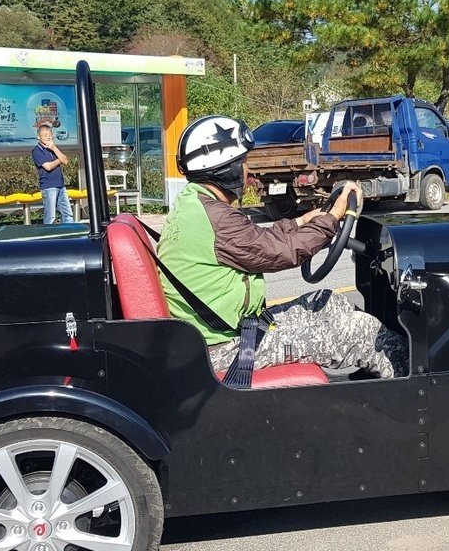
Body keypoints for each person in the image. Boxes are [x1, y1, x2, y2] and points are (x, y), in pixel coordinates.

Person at [157, 115, 408, 380]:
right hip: (224, 347)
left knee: (327, 302)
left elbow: (253, 241)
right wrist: (332, 218)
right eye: (242, 163)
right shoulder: (217, 217)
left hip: (223, 333)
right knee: (359, 334)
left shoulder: (195, 205)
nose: (248, 172)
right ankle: (411, 399)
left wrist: (302, 220)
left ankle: (374, 381)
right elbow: (282, 253)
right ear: (225, 169)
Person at [31, 125, 74, 224]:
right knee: (50, 216)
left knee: (67, 213)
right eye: (44, 135)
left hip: (61, 185)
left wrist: (54, 148)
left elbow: (66, 161)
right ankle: (48, 236)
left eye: (49, 135)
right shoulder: (37, 150)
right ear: (39, 137)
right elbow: (48, 167)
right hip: (48, 186)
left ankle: (71, 234)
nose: (47, 137)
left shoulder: (53, 149)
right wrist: (59, 160)